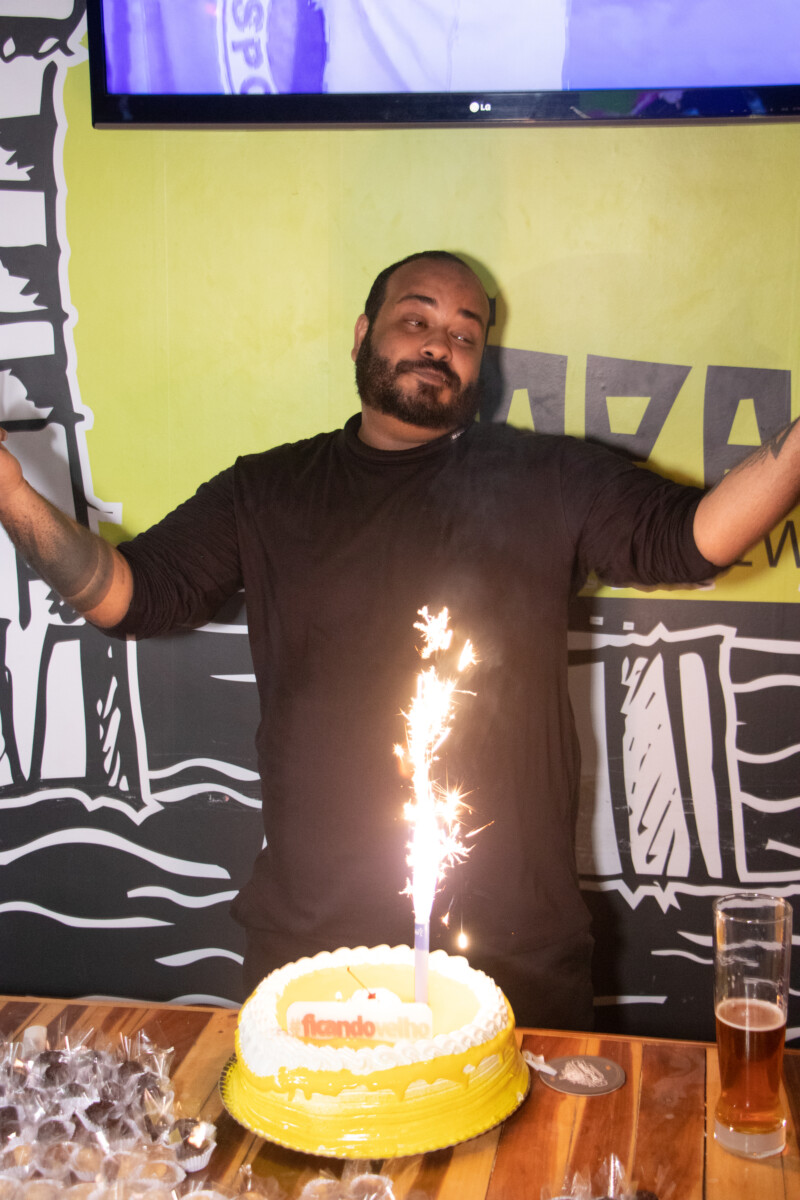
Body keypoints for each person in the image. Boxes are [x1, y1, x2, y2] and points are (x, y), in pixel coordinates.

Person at [1, 250, 799, 1028]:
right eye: (417, 320)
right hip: (313, 954)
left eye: (465, 334)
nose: (440, 344)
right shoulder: (267, 490)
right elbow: (129, 597)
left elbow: (693, 538)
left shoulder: (548, 478)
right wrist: (11, 495)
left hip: (516, 959)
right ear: (362, 336)